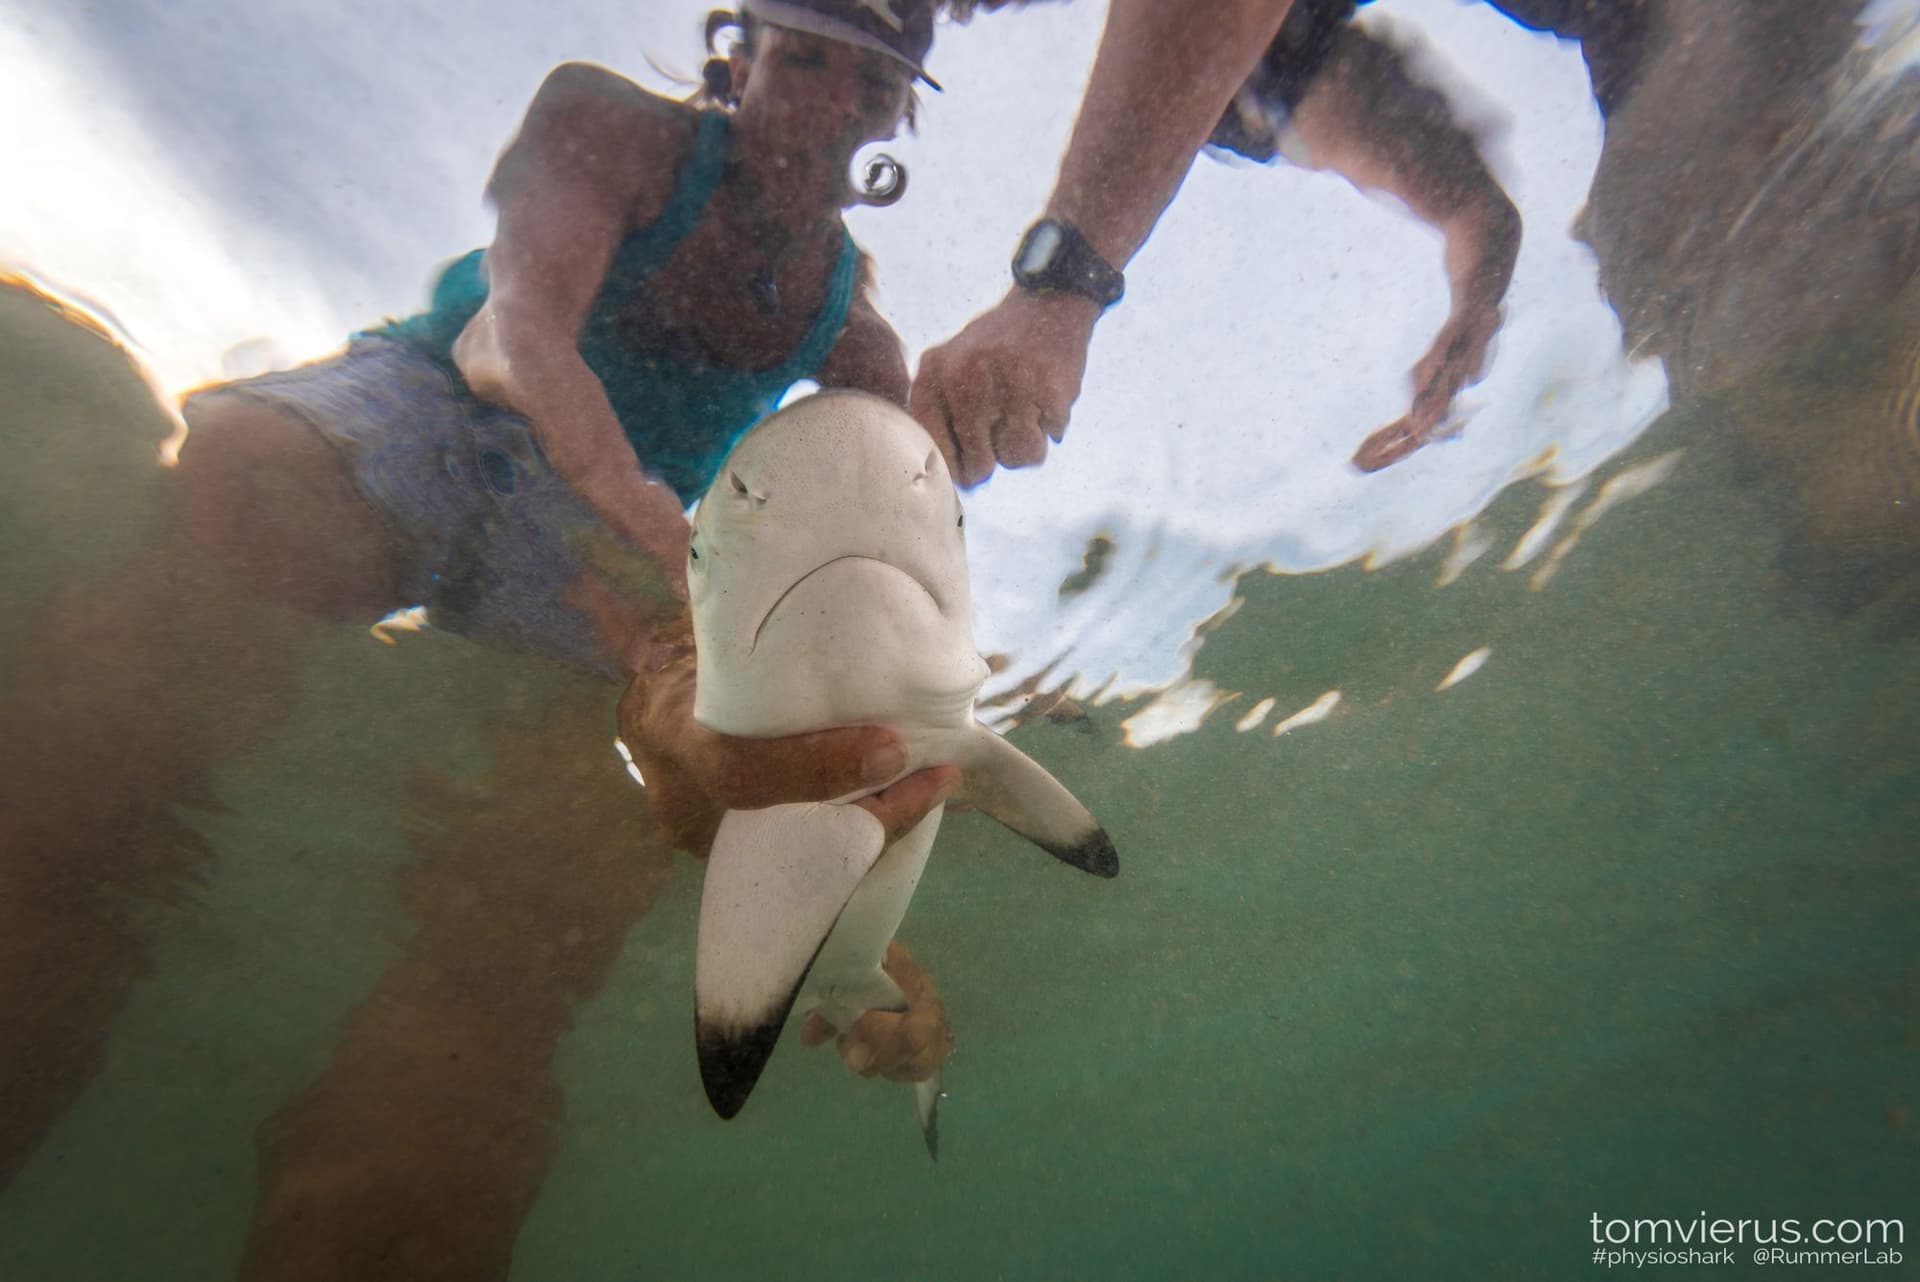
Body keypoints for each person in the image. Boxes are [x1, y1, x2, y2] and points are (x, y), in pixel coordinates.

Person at [0, 1, 956, 1271]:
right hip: (440, 405)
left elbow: (883, 572)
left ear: (900, 112)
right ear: (742, 50)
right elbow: (517, 333)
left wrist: (865, 889)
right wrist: (649, 521)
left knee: (546, 900)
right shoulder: (605, 125)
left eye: (866, 81)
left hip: (623, 543)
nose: (827, 103)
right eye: (807, 60)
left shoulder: (855, 327)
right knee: (249, 486)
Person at [911, 0, 1653, 484]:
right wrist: (1472, 308)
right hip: (1651, 49)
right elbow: (1473, 213)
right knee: (1657, 253)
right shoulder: (1218, 74)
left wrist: (1058, 288)